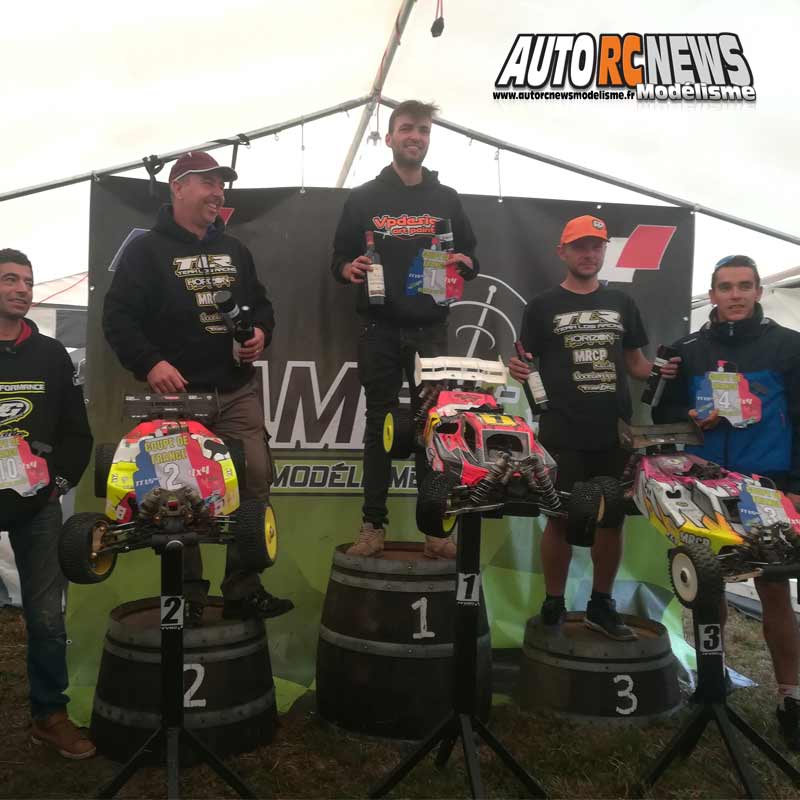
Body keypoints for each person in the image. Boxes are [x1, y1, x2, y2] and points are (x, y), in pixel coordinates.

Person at [103, 151, 292, 624]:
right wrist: (151, 363)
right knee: (178, 496)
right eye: (208, 182)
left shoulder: (236, 250)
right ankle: (187, 595)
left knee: (253, 481)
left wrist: (260, 334)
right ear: (178, 187)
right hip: (177, 399)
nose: (217, 192)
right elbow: (118, 318)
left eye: (221, 184)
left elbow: (262, 307)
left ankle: (243, 589)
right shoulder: (146, 251)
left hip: (237, 391)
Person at [654, 254, 800, 750]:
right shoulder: (689, 350)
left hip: (768, 483)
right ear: (712, 294)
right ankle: (711, 681)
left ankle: (791, 696)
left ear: (758, 291)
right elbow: (666, 413)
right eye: (725, 287)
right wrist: (690, 414)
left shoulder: (789, 346)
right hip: (707, 483)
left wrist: (797, 485)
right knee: (708, 583)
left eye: (743, 286)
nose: (735, 295)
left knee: (773, 589)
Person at [508, 215, 677, 640]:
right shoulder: (542, 306)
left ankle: (601, 605)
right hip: (561, 429)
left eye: (596, 246)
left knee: (611, 520)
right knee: (559, 519)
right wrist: (516, 370)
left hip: (613, 430)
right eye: (580, 246)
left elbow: (636, 365)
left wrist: (662, 370)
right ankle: (553, 603)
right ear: (562, 252)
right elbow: (526, 364)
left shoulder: (622, 303)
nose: (589, 254)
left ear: (604, 252)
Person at [331, 100, 479, 559]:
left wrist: (465, 262)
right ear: (390, 137)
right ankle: (372, 526)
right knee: (379, 425)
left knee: (431, 428)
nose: (416, 136)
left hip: (431, 329)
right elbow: (338, 259)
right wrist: (348, 268)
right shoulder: (363, 197)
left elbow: (472, 255)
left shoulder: (446, 198)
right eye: (408, 128)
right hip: (378, 326)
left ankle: (434, 531)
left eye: (424, 130)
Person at [0, 249, 95, 759]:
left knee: (46, 619)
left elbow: (77, 432)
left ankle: (49, 716)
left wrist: (57, 484)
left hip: (37, 505)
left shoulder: (52, 354)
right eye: (9, 279)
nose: (22, 289)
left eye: (27, 281)